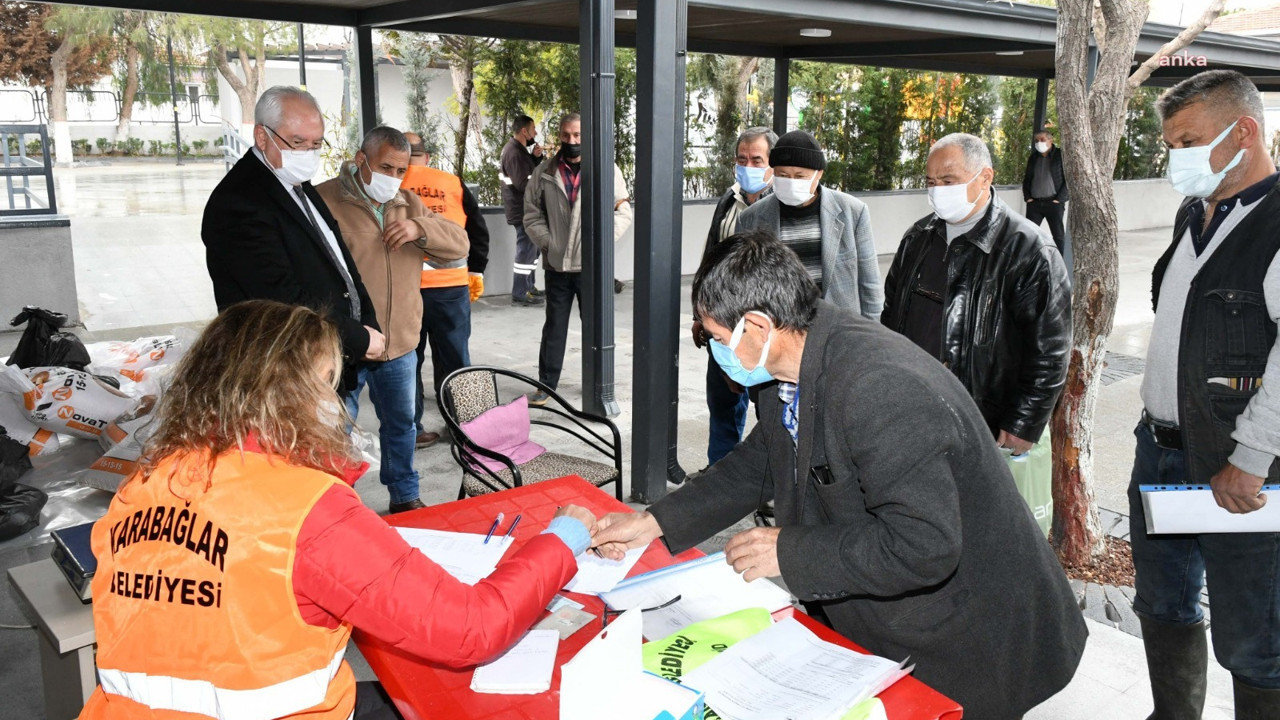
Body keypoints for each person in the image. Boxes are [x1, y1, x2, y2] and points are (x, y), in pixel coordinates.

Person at [592, 231, 1087, 720]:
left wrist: (788, 550)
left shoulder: (879, 389)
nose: (718, 353)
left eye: (719, 339)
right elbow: (763, 460)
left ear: (759, 328)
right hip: (896, 614)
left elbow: (925, 545)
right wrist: (654, 522)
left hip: (973, 631)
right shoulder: (790, 363)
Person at [78, 300, 597, 720]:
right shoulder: (303, 507)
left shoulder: (144, 481)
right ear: (288, 396)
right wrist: (564, 538)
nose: (335, 400)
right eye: (326, 383)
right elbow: (471, 629)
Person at [1129, 69, 1280, 719]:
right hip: (1161, 451)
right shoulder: (1196, 212)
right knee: (1163, 603)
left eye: (1187, 141)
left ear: (1244, 132)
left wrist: (1250, 458)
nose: (1175, 159)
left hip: (1230, 467)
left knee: (1254, 636)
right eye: (1170, 144)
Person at [882, 133, 1071, 456]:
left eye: (948, 180)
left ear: (985, 177)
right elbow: (890, 319)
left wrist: (1024, 422)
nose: (937, 191)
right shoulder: (917, 238)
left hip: (982, 420)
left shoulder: (1029, 250)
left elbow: (1050, 350)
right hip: (910, 410)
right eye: (931, 181)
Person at [315, 127, 468, 514]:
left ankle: (404, 495)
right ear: (360, 159)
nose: (394, 177)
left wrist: (421, 228)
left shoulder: (408, 203)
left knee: (402, 427)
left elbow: (459, 246)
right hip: (344, 345)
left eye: (401, 169)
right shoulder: (323, 200)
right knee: (333, 432)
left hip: (399, 343)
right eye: (386, 167)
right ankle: (332, 507)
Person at [202, 85, 383, 394]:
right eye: (297, 142)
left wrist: (367, 319)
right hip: (281, 373)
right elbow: (279, 297)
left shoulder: (294, 182)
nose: (308, 154)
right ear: (262, 136)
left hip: (322, 362)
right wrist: (356, 336)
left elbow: (339, 261)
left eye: (316, 144)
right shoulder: (239, 203)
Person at [522, 112, 633, 405]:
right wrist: (549, 243)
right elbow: (531, 213)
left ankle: (598, 384)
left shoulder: (605, 170)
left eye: (578, 136)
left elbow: (622, 211)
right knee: (554, 327)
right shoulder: (544, 171)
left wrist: (600, 244)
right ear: (559, 135)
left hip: (591, 268)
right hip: (557, 266)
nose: (572, 141)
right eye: (566, 135)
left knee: (595, 328)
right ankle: (546, 385)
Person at [399, 132, 490, 449]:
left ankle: (411, 428)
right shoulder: (451, 182)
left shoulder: (387, 182)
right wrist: (476, 270)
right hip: (450, 289)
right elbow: (477, 231)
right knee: (455, 358)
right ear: (426, 156)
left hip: (403, 291)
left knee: (407, 360)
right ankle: (462, 425)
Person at [691, 126, 776, 466]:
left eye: (757, 159)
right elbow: (710, 257)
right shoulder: (729, 200)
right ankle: (718, 473)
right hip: (722, 330)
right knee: (723, 404)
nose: (748, 166)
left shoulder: (779, 207)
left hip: (761, 332)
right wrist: (701, 314)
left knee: (769, 410)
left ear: (772, 163)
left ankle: (768, 484)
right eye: (742, 159)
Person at [734, 129, 882, 320]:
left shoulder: (853, 212)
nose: (791, 182)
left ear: (818, 174)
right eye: (783, 175)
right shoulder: (750, 218)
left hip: (837, 329)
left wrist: (872, 334)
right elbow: (742, 285)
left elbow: (869, 283)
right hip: (780, 331)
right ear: (772, 172)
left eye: (800, 176)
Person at [501, 114, 546, 306]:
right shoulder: (514, 152)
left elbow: (526, 173)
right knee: (526, 250)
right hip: (522, 210)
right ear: (524, 131)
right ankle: (520, 291)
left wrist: (535, 159)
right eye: (533, 129)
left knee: (532, 251)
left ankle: (528, 286)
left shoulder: (519, 151)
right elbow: (522, 183)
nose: (535, 133)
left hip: (526, 209)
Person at [1022, 130, 1071, 258]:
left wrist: (1060, 199)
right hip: (1035, 204)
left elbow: (1069, 179)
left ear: (1051, 140)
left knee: (1058, 235)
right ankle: (1029, 260)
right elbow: (1027, 179)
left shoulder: (1060, 156)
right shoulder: (1033, 158)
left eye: (1042, 140)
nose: (1039, 143)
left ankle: (1060, 262)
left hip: (1053, 203)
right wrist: (1028, 198)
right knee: (1029, 234)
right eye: (1037, 141)